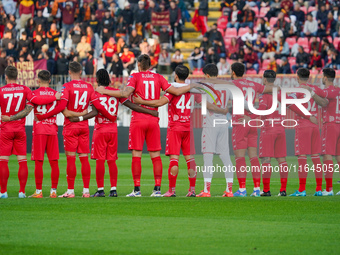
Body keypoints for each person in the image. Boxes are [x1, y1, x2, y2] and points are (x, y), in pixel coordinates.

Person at [95, 54, 194, 197]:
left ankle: (137, 190)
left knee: (137, 155)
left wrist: (104, 91)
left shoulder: (135, 76)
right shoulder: (159, 77)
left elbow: (124, 93)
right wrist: (194, 85)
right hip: (153, 119)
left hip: (138, 119)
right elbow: (177, 91)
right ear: (150, 65)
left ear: (138, 64)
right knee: (155, 155)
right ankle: (157, 190)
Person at [68, 69, 158, 197]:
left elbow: (94, 112)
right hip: (113, 130)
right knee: (112, 160)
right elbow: (132, 106)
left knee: (100, 160)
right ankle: (113, 190)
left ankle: (100, 190)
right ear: (109, 80)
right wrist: (150, 112)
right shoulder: (116, 93)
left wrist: (79, 118)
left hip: (100, 129)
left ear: (97, 80)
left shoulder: (96, 93)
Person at [133, 65, 197, 197]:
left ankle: (171, 190)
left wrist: (141, 101)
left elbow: (159, 103)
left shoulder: (173, 90)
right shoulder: (192, 90)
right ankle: (192, 190)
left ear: (176, 76)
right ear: (187, 76)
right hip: (188, 127)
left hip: (175, 127)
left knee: (174, 159)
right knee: (190, 159)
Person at [35, 62, 95, 198]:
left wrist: (44, 115)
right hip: (84, 126)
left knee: (71, 159)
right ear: (81, 71)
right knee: (84, 159)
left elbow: (63, 108)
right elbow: (95, 108)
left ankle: (71, 191)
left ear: (69, 72)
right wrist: (81, 115)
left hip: (70, 127)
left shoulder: (66, 87)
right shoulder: (89, 87)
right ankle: (86, 191)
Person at [0, 66, 58, 198]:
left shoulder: (1, 91)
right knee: (22, 161)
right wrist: (54, 97)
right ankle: (22, 192)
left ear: (6, 77)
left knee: (3, 161)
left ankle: (3, 192)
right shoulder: (25, 89)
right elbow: (36, 101)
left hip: (5, 129)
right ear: (18, 77)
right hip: (20, 129)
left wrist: (8, 118)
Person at [195, 64, 234, 197]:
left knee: (208, 156)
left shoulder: (204, 86)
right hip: (223, 123)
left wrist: (221, 109)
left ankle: (207, 190)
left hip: (211, 123)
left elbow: (207, 104)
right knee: (226, 156)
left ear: (206, 75)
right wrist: (226, 110)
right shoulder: (227, 86)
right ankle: (229, 190)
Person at [302, 68, 340, 196]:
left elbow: (322, 95)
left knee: (327, 156)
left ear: (325, 78)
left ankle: (329, 189)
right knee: (339, 157)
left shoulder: (329, 91)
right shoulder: (338, 90)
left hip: (330, 125)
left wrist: (310, 90)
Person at [289, 68, 324, 197]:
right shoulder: (314, 89)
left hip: (303, 125)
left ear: (297, 77)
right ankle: (319, 189)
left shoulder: (298, 90)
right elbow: (324, 101)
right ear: (309, 77)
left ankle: (302, 190)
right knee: (315, 158)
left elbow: (290, 103)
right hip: (315, 125)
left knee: (302, 158)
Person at [258, 70, 289, 196]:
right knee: (282, 159)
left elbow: (260, 111)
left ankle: (266, 190)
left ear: (265, 80)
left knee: (266, 159)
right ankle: (283, 190)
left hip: (268, 129)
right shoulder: (280, 94)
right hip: (280, 128)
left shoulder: (264, 96)